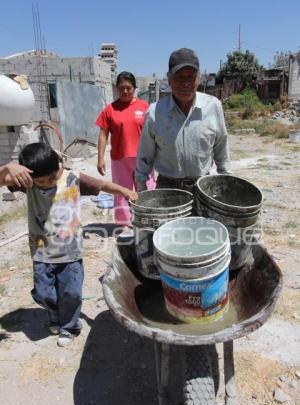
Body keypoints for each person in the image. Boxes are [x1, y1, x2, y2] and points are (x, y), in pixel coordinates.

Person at [1, 143, 138, 347]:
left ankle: (70, 326)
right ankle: (54, 314)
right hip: (41, 249)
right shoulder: (28, 182)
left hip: (70, 251)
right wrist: (8, 168)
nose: (48, 183)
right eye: (42, 181)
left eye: (52, 177)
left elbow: (102, 185)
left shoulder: (72, 178)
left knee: (71, 292)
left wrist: (125, 191)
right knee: (43, 292)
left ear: (59, 166)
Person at [135, 48, 231, 192]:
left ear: (198, 78)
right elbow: (145, 155)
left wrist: (227, 181)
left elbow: (221, 147)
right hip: (167, 191)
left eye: (190, 76)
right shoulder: (155, 112)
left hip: (203, 188)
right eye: (179, 76)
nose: (185, 83)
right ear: (169, 79)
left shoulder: (213, 106)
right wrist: (141, 188)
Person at [96, 71, 156, 225]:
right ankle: (123, 224)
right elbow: (103, 134)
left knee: (147, 191)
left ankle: (148, 219)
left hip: (143, 159)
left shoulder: (144, 107)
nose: (125, 91)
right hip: (119, 159)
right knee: (121, 193)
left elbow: (153, 133)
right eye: (121, 88)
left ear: (134, 88)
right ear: (116, 88)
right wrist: (100, 158)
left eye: (128, 88)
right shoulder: (110, 109)